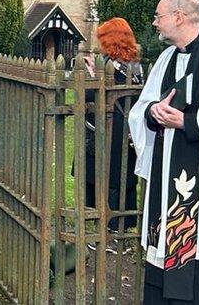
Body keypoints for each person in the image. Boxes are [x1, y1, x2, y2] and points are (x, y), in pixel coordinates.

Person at [127, 0, 199, 304]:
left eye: (159, 16)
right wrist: (153, 112)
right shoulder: (167, 58)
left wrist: (187, 121)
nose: (155, 22)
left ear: (179, 16)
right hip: (165, 180)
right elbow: (141, 107)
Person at [79, 18, 143, 243]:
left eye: (103, 38)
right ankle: (119, 223)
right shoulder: (134, 65)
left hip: (111, 128)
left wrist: (91, 76)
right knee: (118, 174)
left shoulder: (113, 66)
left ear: (112, 39)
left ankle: (106, 222)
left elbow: (95, 96)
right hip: (123, 129)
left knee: (108, 174)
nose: (99, 43)